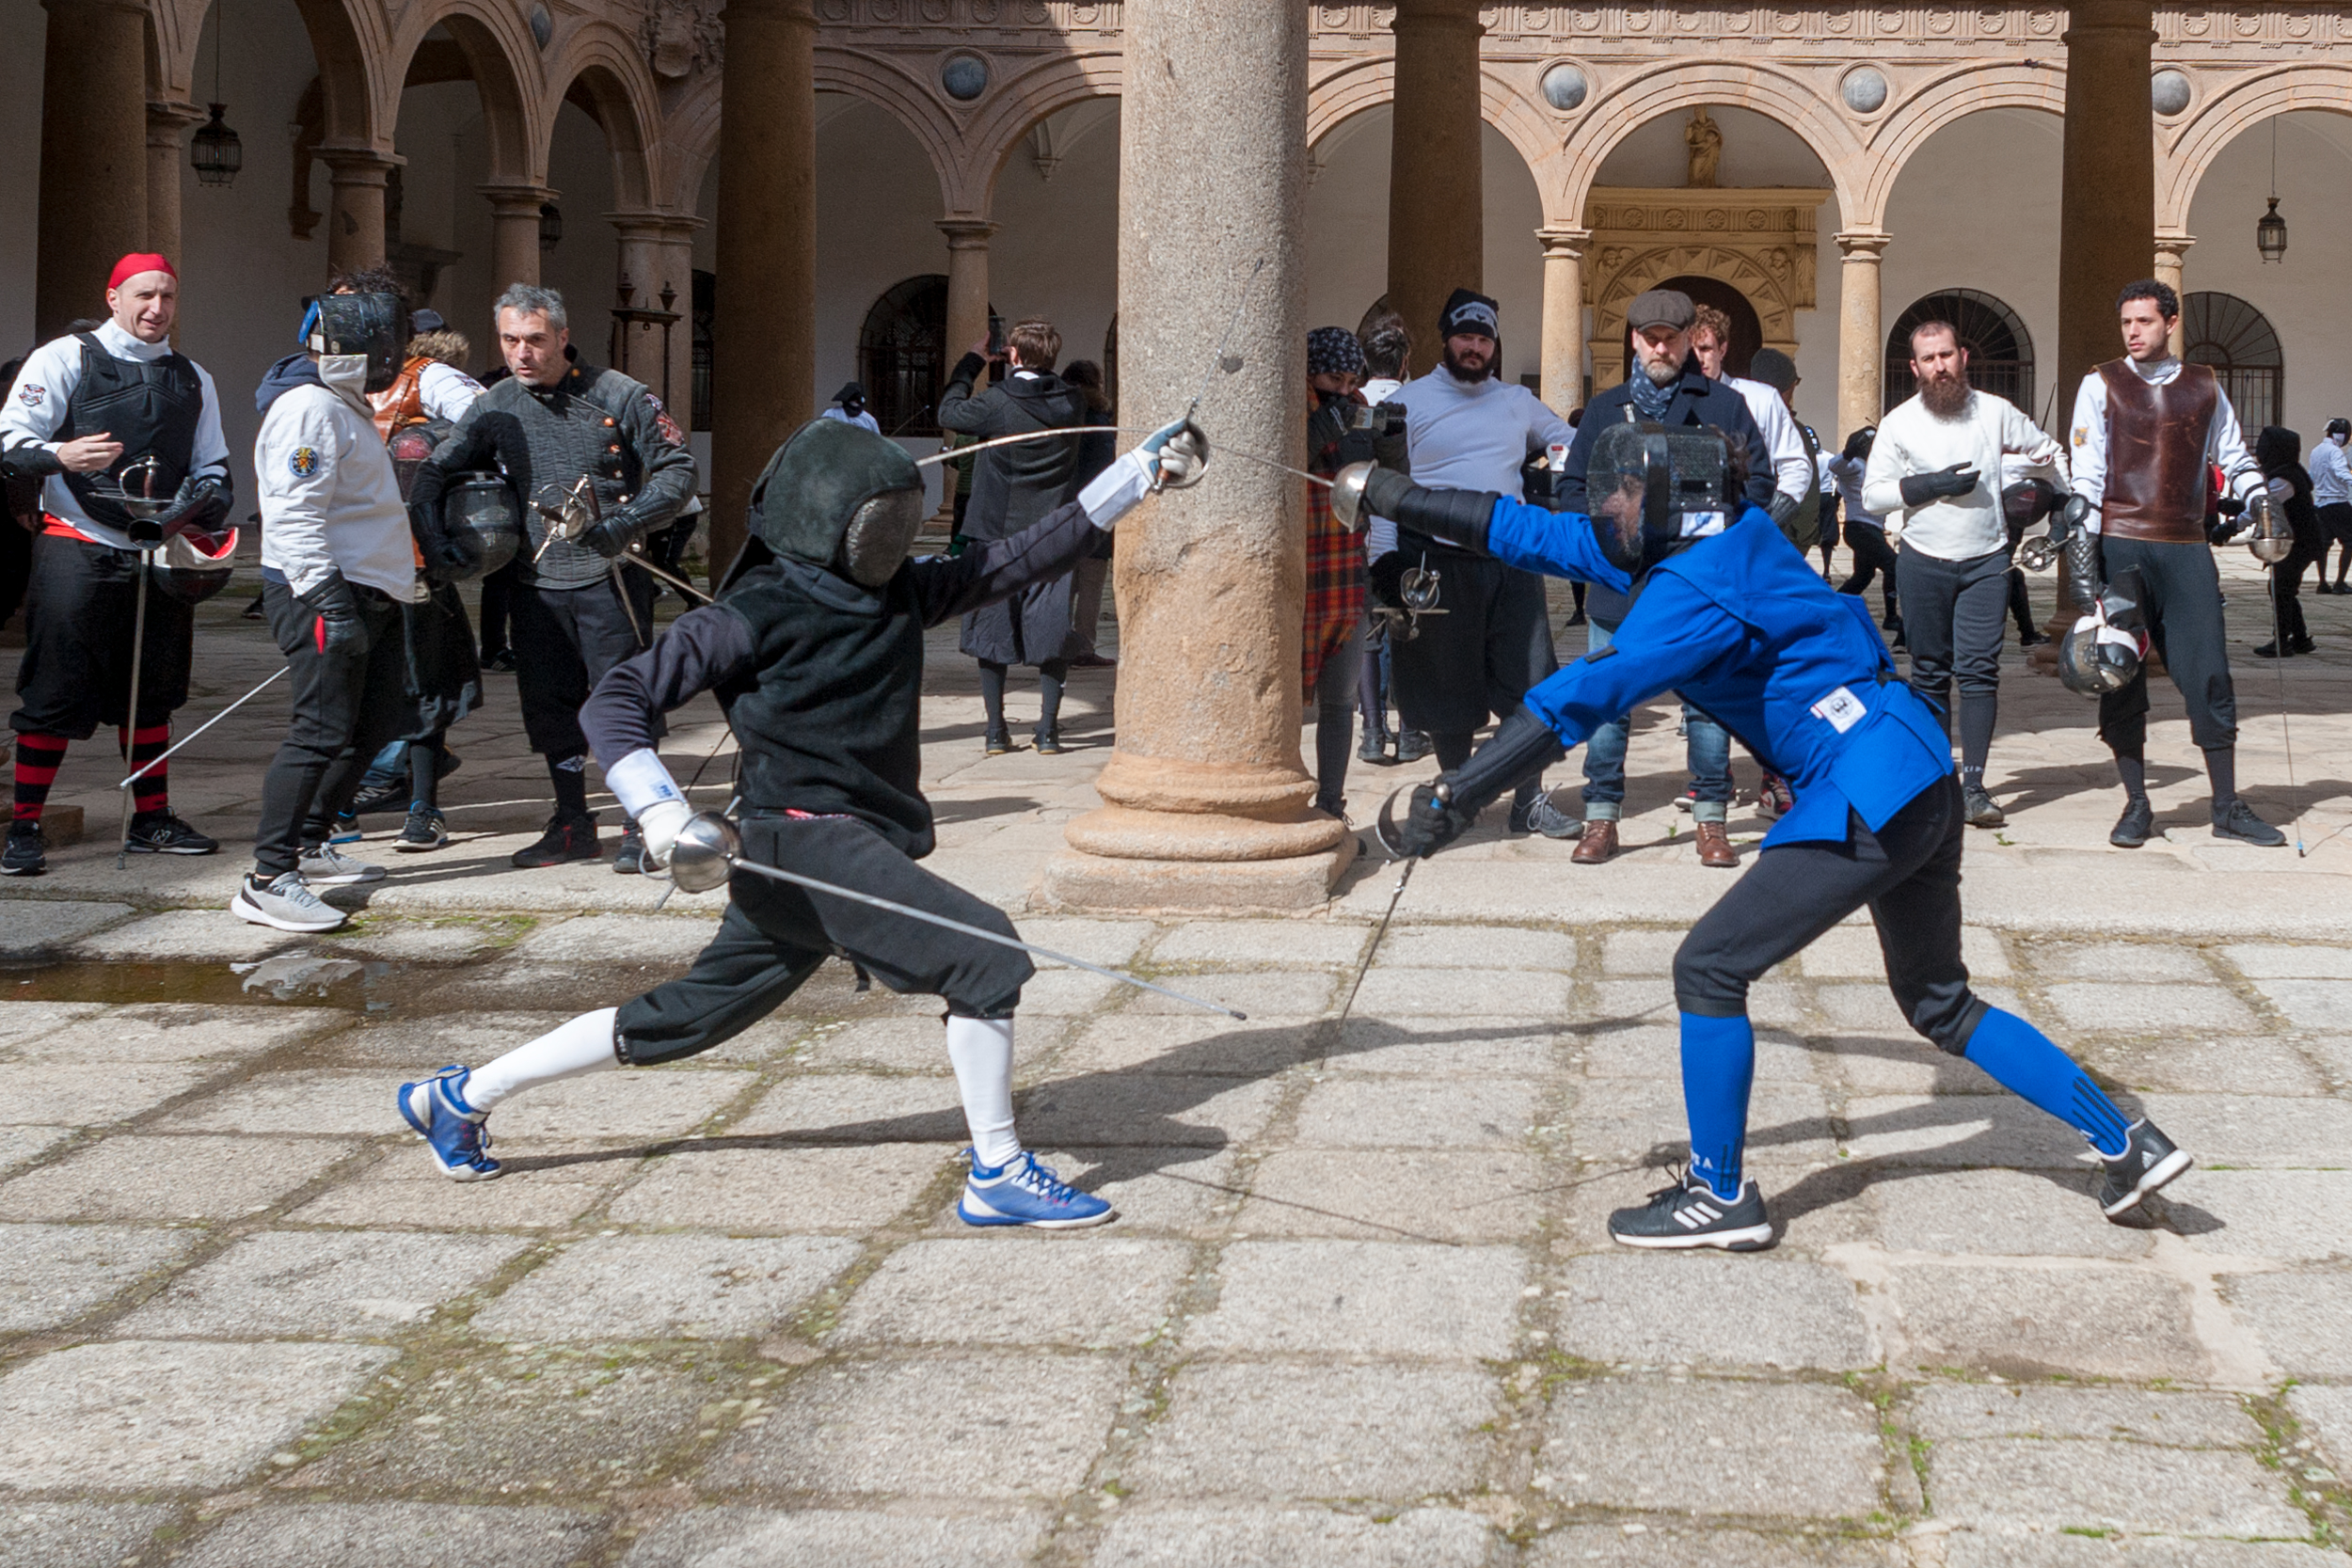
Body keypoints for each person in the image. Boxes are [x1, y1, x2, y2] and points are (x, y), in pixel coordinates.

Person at [1371, 427, 2194, 1248]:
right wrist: (1395, 497)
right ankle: (2130, 1142)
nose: (1609, 503)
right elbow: (1537, 533)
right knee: (1938, 1000)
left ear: (1668, 505)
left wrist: (1458, 792)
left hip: (1865, 791)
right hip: (1919, 772)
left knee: (1709, 967)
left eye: (1624, 491)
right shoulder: (1736, 536)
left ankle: (1720, 1194)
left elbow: (1584, 691)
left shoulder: (1693, 593)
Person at [393, 415, 1208, 1227]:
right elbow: (616, 700)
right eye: (876, 519)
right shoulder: (752, 612)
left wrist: (1139, 475)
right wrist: (659, 810)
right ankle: (997, 1172)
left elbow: (1018, 557)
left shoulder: (897, 591)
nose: (890, 535)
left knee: (687, 1016)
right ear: (825, 518)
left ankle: (460, 1096)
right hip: (802, 840)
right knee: (985, 955)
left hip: (800, 856)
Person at [407, 284, 699, 872]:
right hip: (535, 580)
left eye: (536, 339)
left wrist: (628, 521)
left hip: (611, 576)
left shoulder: (621, 395)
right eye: (510, 339)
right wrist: (434, 538)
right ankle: (570, 823)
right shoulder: (495, 404)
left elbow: (678, 470)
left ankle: (640, 823)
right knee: (548, 706)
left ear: (563, 337)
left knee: (624, 702)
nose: (523, 353)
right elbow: (436, 469)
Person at [1, 254, 232, 877]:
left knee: (152, 690)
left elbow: (213, 466)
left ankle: (153, 819)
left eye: (167, 296)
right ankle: (24, 827)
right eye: (143, 295)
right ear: (113, 297)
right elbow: (11, 441)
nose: (156, 308)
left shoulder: (193, 378)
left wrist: (200, 508)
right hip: (78, 542)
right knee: (54, 688)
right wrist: (61, 454)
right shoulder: (63, 358)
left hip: (158, 550)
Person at [1553, 288, 1773, 866]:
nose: (1659, 348)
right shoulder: (1605, 409)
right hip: (1620, 583)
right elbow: (1571, 488)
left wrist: (1712, 521)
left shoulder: (1724, 405)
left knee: (1706, 705)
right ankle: (1601, 815)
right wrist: (1611, 522)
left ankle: (1711, 819)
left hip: (1697, 583)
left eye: (1670, 339)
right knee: (1608, 702)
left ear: (1686, 341)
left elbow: (1759, 485)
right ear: (1633, 340)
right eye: (1649, 338)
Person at [2066, 278, 2284, 848]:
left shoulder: (2204, 385)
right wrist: (2084, 557)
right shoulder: (2100, 383)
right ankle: (2137, 803)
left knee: (2209, 671)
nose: (2133, 332)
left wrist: (2262, 502)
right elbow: (2086, 473)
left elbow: (2233, 454)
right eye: (2126, 322)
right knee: (2118, 672)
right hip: (2121, 545)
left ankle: (2226, 805)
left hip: (2186, 547)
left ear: (2169, 322)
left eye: (2144, 321)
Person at [232, 290, 420, 932]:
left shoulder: (346, 406)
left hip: (371, 590)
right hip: (323, 591)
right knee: (318, 730)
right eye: (381, 344)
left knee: (373, 723)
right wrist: (329, 602)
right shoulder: (308, 408)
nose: (390, 356)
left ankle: (311, 843)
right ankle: (267, 878)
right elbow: (292, 513)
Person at [1381, 288, 1576, 836]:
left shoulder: (1517, 401)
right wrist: (1385, 561)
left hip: (1510, 559)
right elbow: (1384, 483)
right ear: (1447, 340)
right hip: (1437, 561)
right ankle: (1456, 798)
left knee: (1531, 685)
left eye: (1484, 339)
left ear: (1495, 345)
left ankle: (1529, 801)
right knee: (1448, 691)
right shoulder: (1409, 402)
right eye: (1465, 336)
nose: (1474, 347)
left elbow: (1570, 442)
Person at [1863, 320, 2066, 830]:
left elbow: (2050, 452)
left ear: (1964, 357)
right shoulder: (1899, 423)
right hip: (1922, 560)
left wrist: (2061, 499)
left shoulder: (1996, 412)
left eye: (1946, 355)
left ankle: (1974, 787)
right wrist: (1927, 486)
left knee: (1978, 672)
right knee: (1930, 672)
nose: (1940, 367)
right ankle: (1937, 784)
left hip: (1987, 561)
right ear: (1914, 367)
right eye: (1928, 359)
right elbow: (1872, 496)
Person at [341, 293, 486, 852]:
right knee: (350, 686)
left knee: (425, 682)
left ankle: (424, 807)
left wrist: (434, 451)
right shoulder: (339, 380)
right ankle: (341, 806)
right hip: (353, 555)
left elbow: (487, 419)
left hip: (414, 554)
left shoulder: (430, 377)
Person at [938, 317, 1088, 754]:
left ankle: (995, 731)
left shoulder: (997, 401)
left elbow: (948, 413)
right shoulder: (1072, 402)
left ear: (1014, 354)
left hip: (996, 532)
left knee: (992, 629)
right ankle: (1048, 730)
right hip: (1054, 531)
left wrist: (972, 361)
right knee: (1052, 629)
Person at [1302, 326, 1383, 818]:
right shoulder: (1295, 411)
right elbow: (1289, 459)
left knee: (1339, 700)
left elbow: (1381, 480)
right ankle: (1284, 800)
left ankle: (1332, 802)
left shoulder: (1356, 410)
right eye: (1335, 379)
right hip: (1302, 574)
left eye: (1353, 381)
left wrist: (1389, 440)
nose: (1345, 389)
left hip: (1346, 574)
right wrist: (1326, 424)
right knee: (1286, 702)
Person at [1354, 313, 1421, 765]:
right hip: (1408, 526)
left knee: (1368, 634)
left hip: (1362, 529)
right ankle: (1412, 731)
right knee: (1409, 628)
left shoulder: (1353, 406)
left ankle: (1373, 732)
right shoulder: (1418, 402)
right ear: (1404, 361)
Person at [1690, 311, 1812, 532]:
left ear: (1722, 350)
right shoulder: (1671, 403)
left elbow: (1795, 464)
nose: (1698, 358)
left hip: (1749, 526)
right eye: (1691, 350)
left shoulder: (1761, 399)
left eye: (1705, 348)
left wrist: (1771, 516)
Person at [1061, 359, 1118, 669]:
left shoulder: (1060, 417)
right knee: (1091, 584)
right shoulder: (1099, 421)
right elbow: (1105, 467)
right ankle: (1083, 647)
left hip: (1064, 508)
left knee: (1064, 582)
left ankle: (1056, 642)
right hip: (1096, 508)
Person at [2251, 426, 2321, 659]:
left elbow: (2265, 504)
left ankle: (2281, 642)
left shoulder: (2285, 478)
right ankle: (2300, 639)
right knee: (2285, 588)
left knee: (2281, 588)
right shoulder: (2288, 472)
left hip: (2301, 543)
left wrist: (2233, 524)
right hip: (2299, 542)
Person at [1829, 427, 1901, 643]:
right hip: (1860, 528)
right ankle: (1890, 617)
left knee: (1863, 576)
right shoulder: (1854, 465)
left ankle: (1834, 609)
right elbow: (1834, 465)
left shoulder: (1871, 468)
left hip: (1870, 529)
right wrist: (1848, 452)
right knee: (1893, 565)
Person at [2309, 417, 2350, 595]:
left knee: (2324, 544)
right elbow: (2341, 472)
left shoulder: (2316, 451)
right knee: (2349, 542)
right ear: (2342, 435)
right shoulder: (2335, 452)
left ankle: (2322, 583)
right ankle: (2339, 583)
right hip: (2338, 503)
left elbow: (2311, 475)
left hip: (2321, 504)